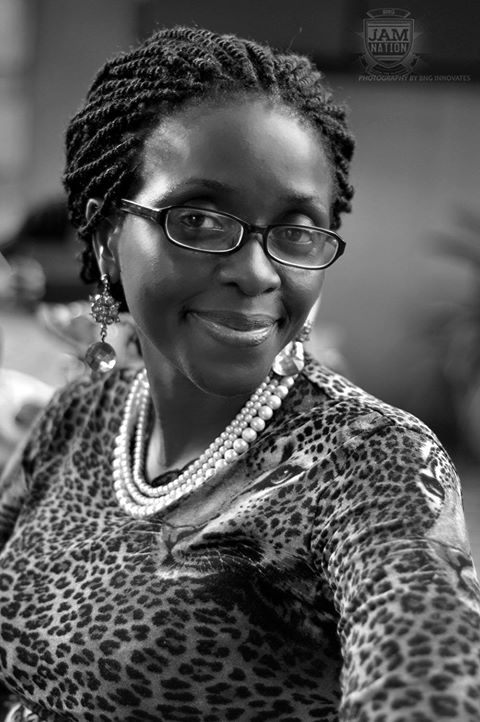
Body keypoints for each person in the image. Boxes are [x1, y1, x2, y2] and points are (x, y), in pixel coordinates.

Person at [0, 26, 479, 722]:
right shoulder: (81, 415)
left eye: (296, 230)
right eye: (198, 219)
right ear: (107, 238)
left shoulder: (370, 462)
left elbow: (432, 679)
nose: (256, 272)